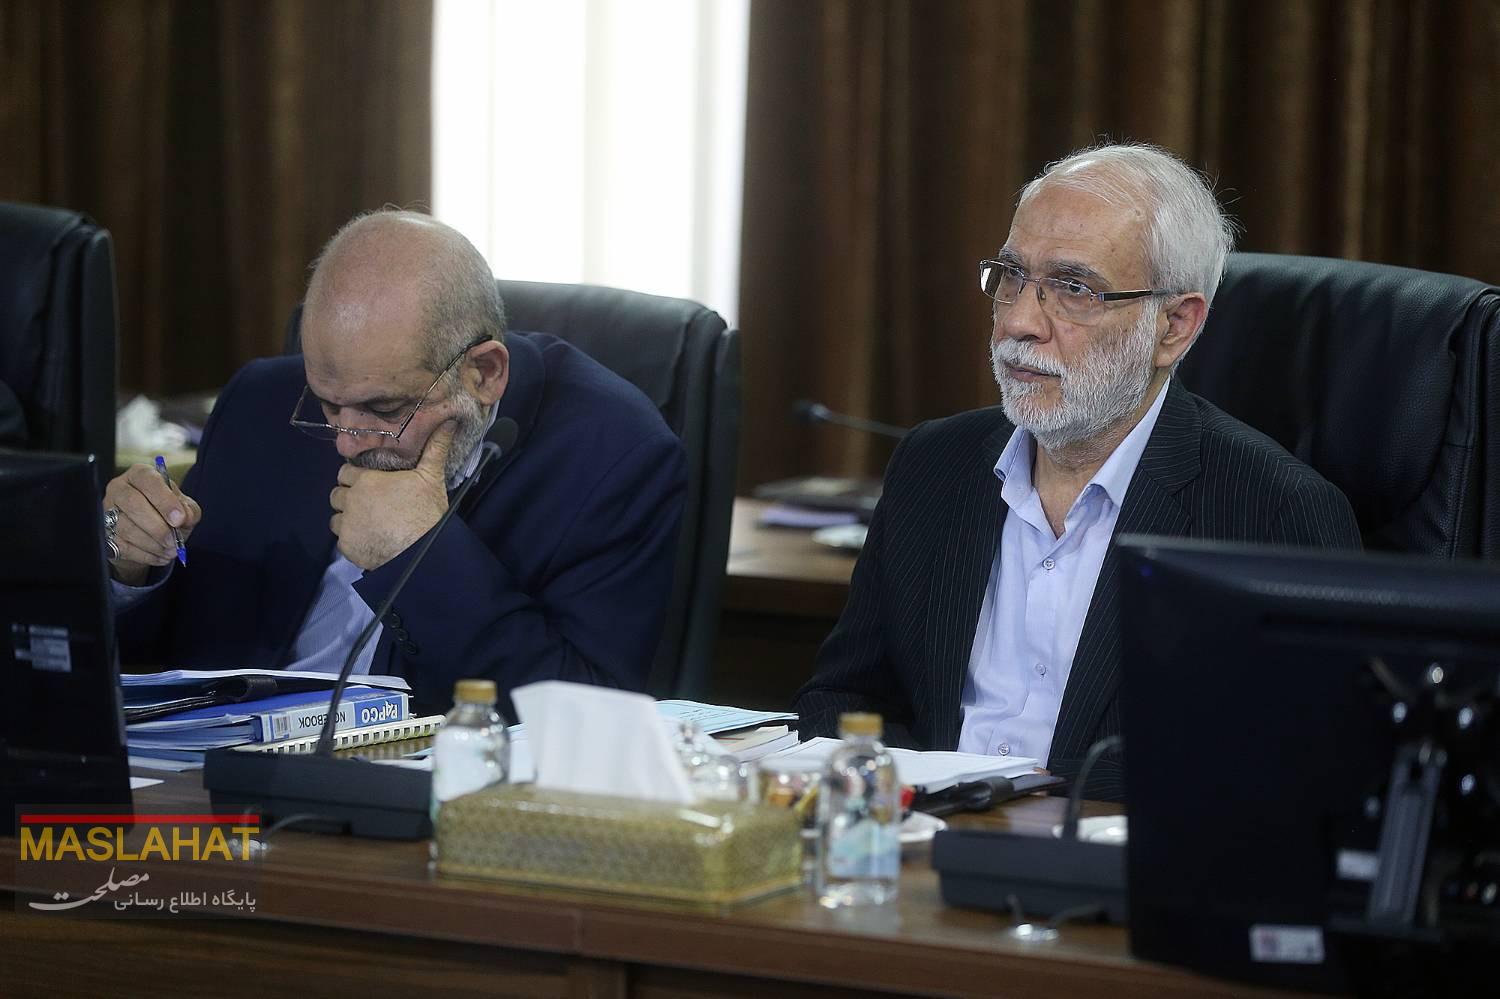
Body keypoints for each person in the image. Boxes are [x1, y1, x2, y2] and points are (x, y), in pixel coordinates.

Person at [794, 143, 1362, 799]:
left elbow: (1295, 775)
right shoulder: (935, 464)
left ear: (1175, 326)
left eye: (1074, 289)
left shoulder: (1273, 512)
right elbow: (842, 697)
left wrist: (1033, 805)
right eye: (1011, 276)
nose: (1018, 321)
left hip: (1107, 857)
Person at [105, 210, 686, 711]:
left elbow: (580, 716)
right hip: (205, 768)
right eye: (329, 404)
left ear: (484, 373)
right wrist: (128, 561)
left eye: (384, 409)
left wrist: (420, 553)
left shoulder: (615, 456)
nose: (347, 440)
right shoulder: (261, 403)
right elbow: (158, 648)